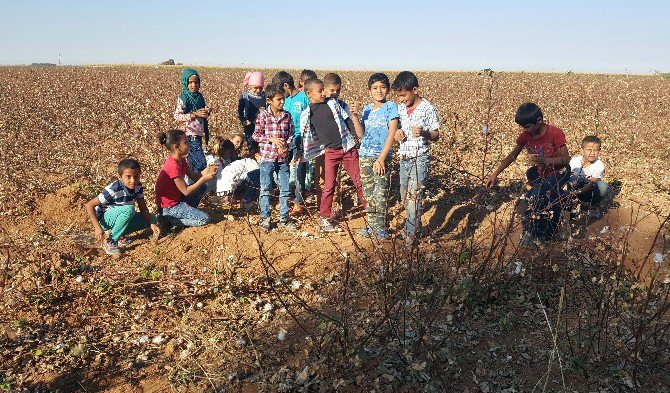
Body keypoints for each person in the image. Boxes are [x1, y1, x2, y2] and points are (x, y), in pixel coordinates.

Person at [485, 102, 570, 247]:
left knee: (534, 197)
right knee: (550, 198)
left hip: (559, 172)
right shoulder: (526, 135)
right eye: (523, 127)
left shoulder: (555, 133)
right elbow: (513, 155)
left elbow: (565, 160)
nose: (525, 130)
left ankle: (538, 233)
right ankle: (555, 223)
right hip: (541, 173)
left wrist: (545, 160)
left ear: (539, 120)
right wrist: (495, 174)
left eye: (528, 126)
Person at [297, 78, 367, 232]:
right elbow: (305, 136)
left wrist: (355, 136)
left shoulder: (333, 103)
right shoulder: (307, 114)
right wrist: (301, 151)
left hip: (348, 148)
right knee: (329, 185)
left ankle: (371, 211)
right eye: (320, 91)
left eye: (324, 90)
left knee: (358, 180)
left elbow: (347, 120)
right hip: (330, 152)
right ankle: (324, 217)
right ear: (309, 94)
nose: (324, 93)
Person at [391, 71, 440, 245]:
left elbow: (436, 135)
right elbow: (396, 127)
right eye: (399, 96)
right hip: (404, 157)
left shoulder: (428, 108)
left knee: (414, 196)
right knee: (404, 196)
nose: (402, 99)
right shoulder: (401, 108)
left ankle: (411, 234)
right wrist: (397, 132)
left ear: (415, 90)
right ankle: (410, 226)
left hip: (420, 158)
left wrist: (425, 133)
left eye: (404, 95)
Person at [85, 159, 160, 255]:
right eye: (128, 177)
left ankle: (120, 235)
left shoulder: (138, 187)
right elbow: (89, 205)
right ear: (120, 177)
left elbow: (143, 208)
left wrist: (151, 223)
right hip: (104, 219)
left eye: (136, 176)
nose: (133, 180)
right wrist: (97, 228)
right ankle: (110, 241)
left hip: (120, 215)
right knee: (129, 209)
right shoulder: (114, 189)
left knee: (153, 218)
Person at [356, 73, 399, 240]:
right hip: (365, 155)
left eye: (382, 87)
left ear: (387, 89)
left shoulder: (391, 107)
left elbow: (392, 133)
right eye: (375, 88)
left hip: (381, 156)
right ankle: (371, 225)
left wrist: (382, 158)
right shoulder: (367, 109)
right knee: (368, 193)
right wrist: (354, 116)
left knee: (380, 191)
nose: (379, 91)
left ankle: (380, 228)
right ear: (369, 91)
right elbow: (361, 134)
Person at [252, 83, 298, 231]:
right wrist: (271, 139)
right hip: (267, 158)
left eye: (283, 99)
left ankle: (284, 218)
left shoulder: (287, 116)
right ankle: (265, 218)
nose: (282, 102)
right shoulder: (263, 116)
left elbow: (291, 135)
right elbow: (256, 135)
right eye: (279, 99)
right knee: (265, 189)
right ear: (269, 100)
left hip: (282, 159)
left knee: (284, 189)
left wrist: (286, 145)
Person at [155, 129, 218, 229]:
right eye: (185, 142)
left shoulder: (181, 160)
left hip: (178, 200)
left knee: (202, 187)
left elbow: (195, 177)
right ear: (177, 148)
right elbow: (186, 191)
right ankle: (170, 221)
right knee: (204, 219)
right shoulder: (173, 166)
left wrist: (208, 169)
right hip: (169, 207)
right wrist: (205, 178)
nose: (189, 144)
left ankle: (188, 212)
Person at [272, 71, 311, 215]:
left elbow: (310, 118)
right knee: (282, 169)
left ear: (286, 85)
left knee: (300, 170)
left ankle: (299, 201)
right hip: (286, 139)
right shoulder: (284, 100)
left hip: (301, 139)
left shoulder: (303, 98)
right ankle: (285, 198)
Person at [174, 68, 211, 183]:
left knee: (193, 163)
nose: (193, 85)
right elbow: (177, 116)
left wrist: (206, 112)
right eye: (190, 82)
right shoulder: (183, 97)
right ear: (185, 83)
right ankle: (198, 185)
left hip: (198, 134)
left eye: (196, 82)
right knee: (201, 163)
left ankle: (192, 186)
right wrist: (194, 114)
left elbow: (201, 114)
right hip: (189, 135)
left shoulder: (199, 97)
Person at [323, 73, 352, 218]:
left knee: (339, 177)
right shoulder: (321, 106)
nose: (334, 94)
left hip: (344, 147)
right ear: (324, 89)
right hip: (327, 148)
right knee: (327, 181)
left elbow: (349, 123)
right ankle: (324, 210)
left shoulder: (343, 106)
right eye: (332, 90)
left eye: (338, 91)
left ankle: (336, 203)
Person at [569, 135, 608, 218]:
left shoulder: (599, 165)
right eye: (589, 150)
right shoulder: (575, 160)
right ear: (582, 150)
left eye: (595, 150)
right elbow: (566, 174)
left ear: (599, 151)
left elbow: (591, 183)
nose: (592, 153)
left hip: (588, 190)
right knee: (573, 178)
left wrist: (576, 192)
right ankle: (572, 204)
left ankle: (593, 207)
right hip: (574, 188)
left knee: (602, 186)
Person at [238, 71, 266, 151]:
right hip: (250, 129)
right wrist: (243, 120)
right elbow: (239, 112)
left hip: (263, 130)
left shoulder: (265, 96)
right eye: (255, 88)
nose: (258, 90)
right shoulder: (245, 96)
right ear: (250, 86)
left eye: (260, 88)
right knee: (252, 150)